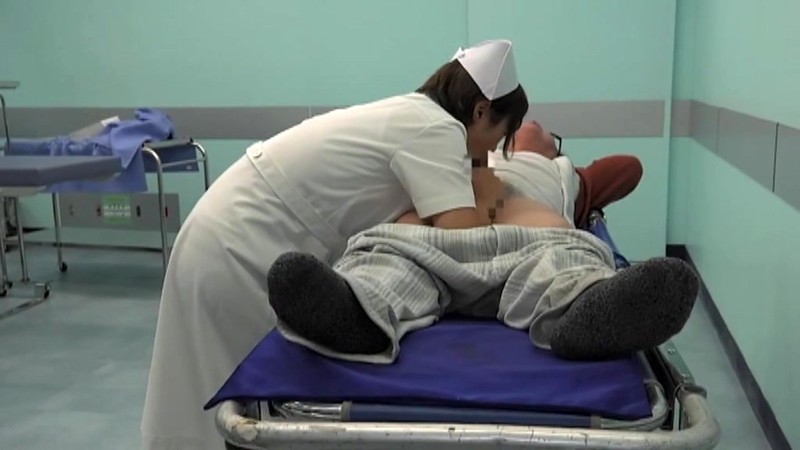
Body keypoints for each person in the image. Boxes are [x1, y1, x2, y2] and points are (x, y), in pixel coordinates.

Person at [140, 39, 529, 450]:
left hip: (235, 225)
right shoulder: (437, 130)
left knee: (215, 401)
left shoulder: (412, 116)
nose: (491, 154)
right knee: (222, 403)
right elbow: (462, 242)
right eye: (499, 138)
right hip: (240, 244)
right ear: (481, 111)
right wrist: (496, 199)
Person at [266, 190, 699, 364]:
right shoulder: (430, 152)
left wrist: (560, 165)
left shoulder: (553, 170)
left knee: (564, 268)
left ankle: (584, 311)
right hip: (420, 244)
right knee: (385, 266)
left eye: (540, 131)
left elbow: (628, 169)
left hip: (538, 240)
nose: (531, 130)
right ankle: (359, 311)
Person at [490, 120, 644, 229]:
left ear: (553, 156)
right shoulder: (486, 156)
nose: (533, 122)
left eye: (548, 134)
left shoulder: (565, 177)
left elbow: (630, 168)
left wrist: (580, 176)